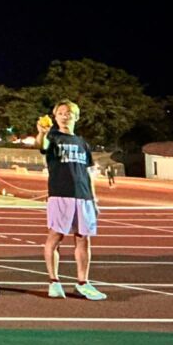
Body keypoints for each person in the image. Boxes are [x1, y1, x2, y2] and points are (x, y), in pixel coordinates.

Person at [38, 101, 107, 300]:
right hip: (60, 194)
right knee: (56, 236)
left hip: (83, 196)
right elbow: (41, 146)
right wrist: (42, 133)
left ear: (76, 117)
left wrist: (93, 199)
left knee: (83, 238)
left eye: (68, 113)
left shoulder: (82, 143)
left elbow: (87, 172)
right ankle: (53, 281)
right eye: (60, 113)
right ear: (55, 117)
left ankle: (83, 283)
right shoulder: (52, 137)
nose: (64, 116)